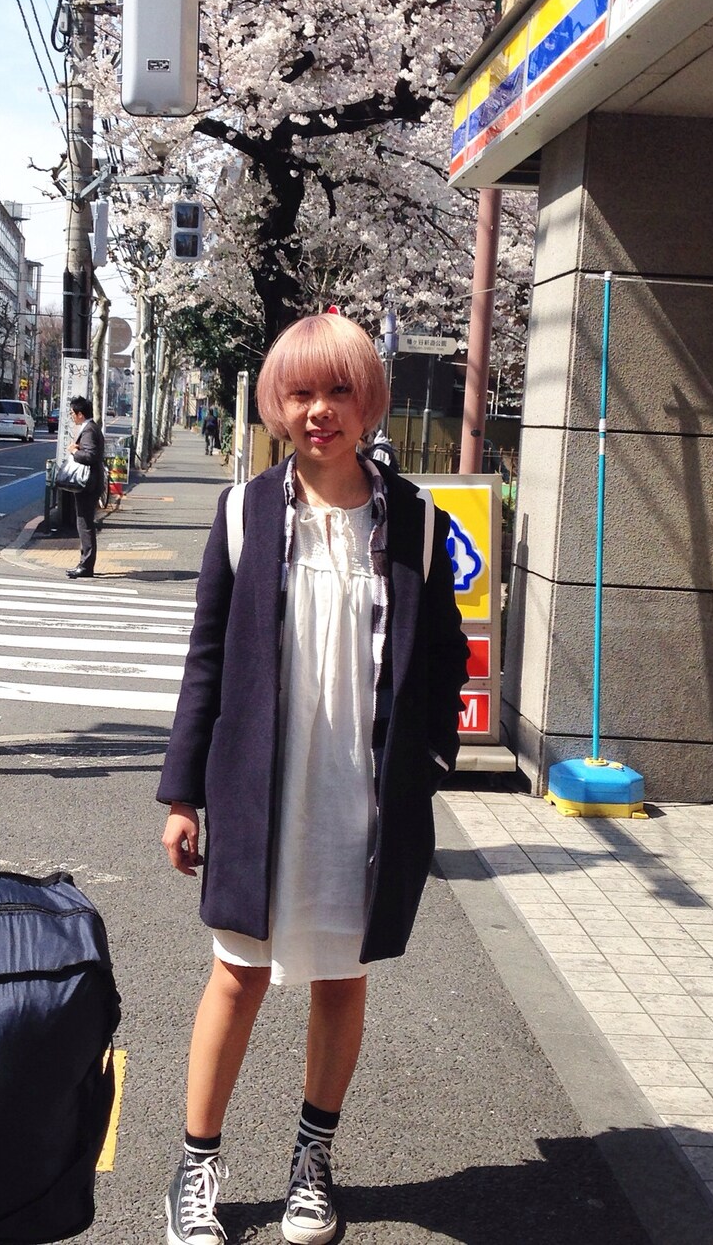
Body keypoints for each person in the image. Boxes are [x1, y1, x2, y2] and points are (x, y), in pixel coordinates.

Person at [158, 312, 469, 1245]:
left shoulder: (417, 524)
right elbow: (206, 662)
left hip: (361, 798)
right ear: (278, 405)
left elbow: (446, 658)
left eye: (339, 391)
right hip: (261, 791)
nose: (319, 410)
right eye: (300, 393)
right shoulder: (243, 515)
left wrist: (428, 763)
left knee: (340, 978)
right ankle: (196, 1168)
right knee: (237, 975)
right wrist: (182, 794)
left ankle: (311, 1163)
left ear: (369, 402)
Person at [66, 395, 106, 580]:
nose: (71, 416)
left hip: (88, 484)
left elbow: (90, 456)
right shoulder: (92, 427)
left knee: (85, 524)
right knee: (85, 523)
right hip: (92, 483)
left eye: (72, 413)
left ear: (80, 414)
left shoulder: (89, 430)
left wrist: (75, 451)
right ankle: (85, 563)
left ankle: (86, 565)